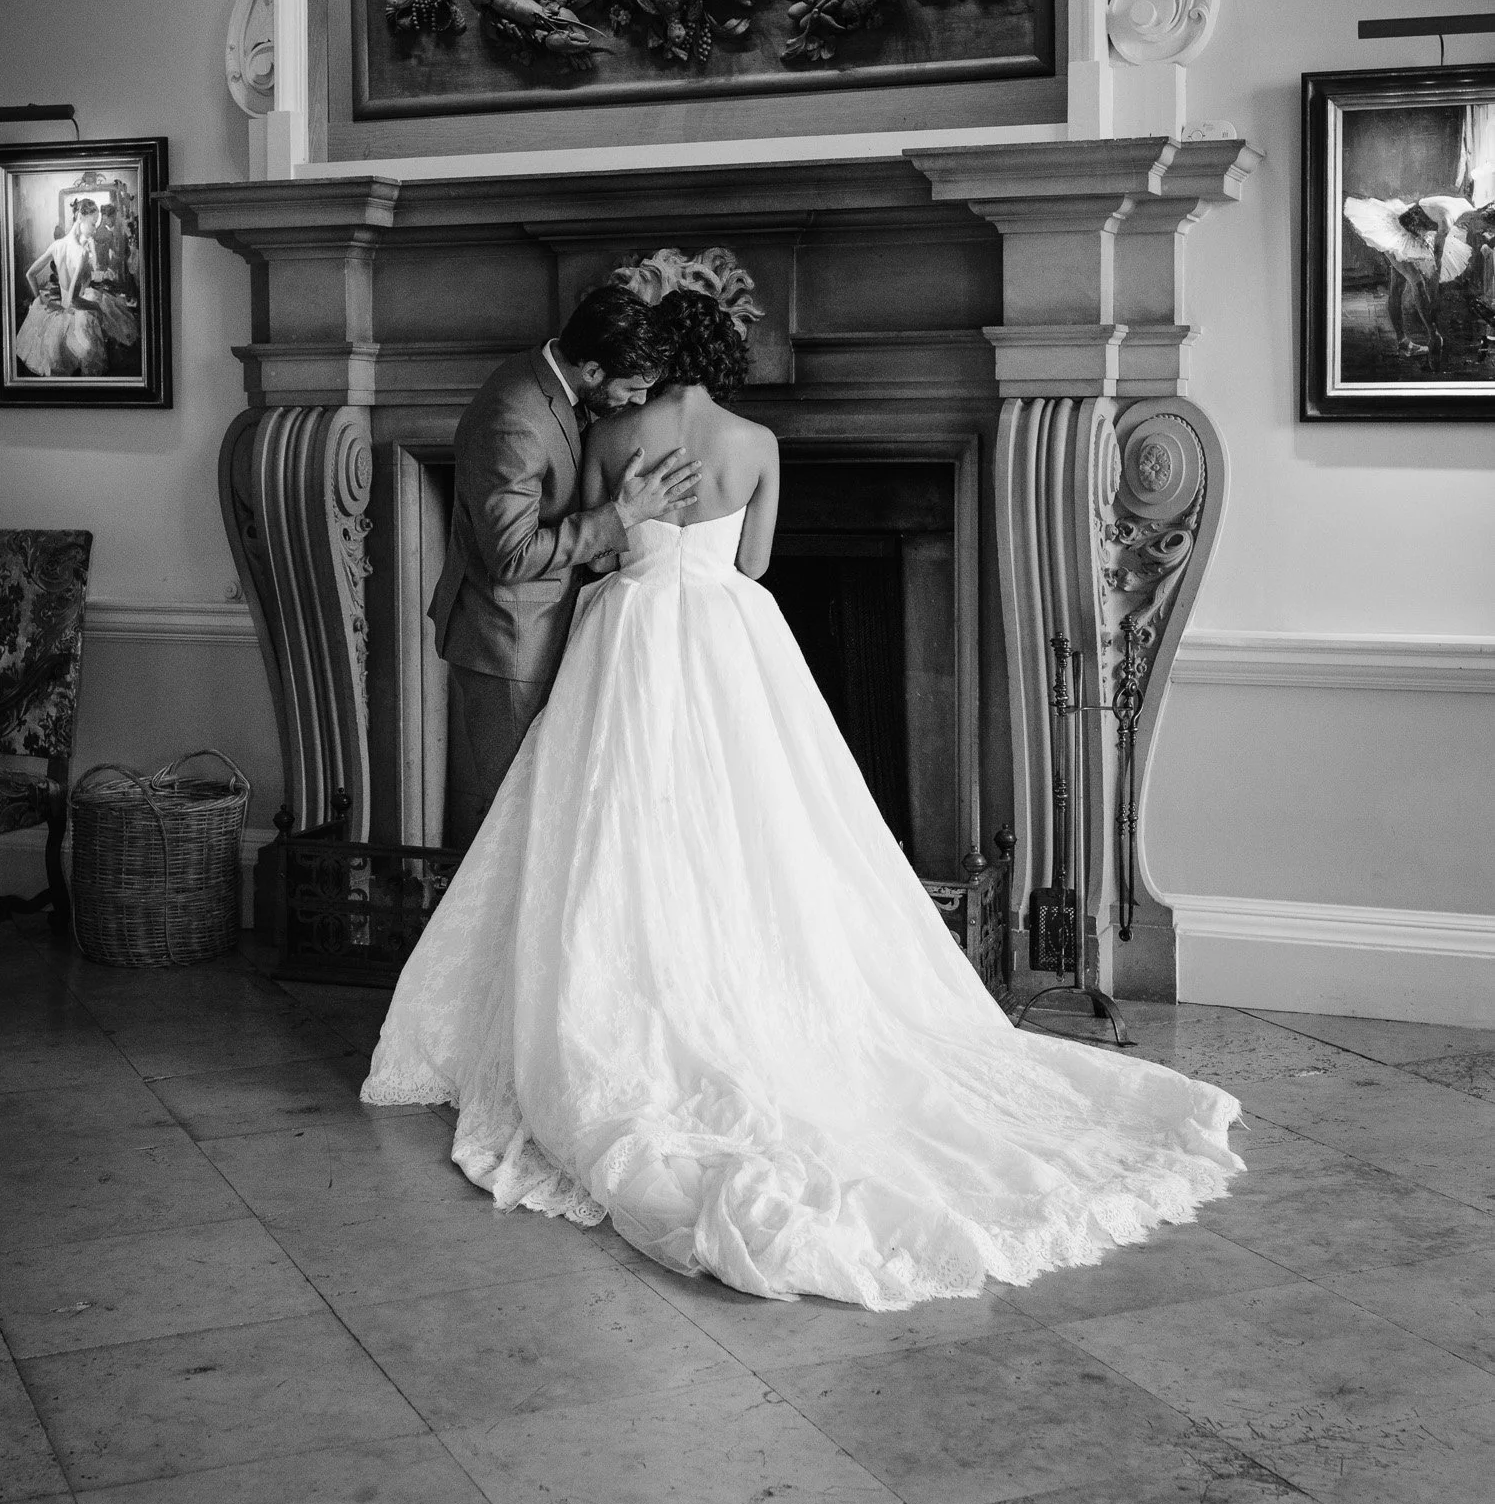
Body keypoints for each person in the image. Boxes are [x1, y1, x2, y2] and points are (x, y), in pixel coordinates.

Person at [367, 260, 1242, 1312]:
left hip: (629, 636)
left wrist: (641, 547)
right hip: (730, 641)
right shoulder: (758, 447)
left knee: (619, 827)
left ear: (654, 361)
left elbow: (598, 559)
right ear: (725, 356)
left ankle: (625, 986)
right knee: (757, 832)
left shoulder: (607, 439)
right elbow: (757, 565)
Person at [429, 283, 701, 846]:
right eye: (632, 389)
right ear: (594, 369)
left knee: (544, 813)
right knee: (514, 821)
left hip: (542, 631)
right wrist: (618, 517)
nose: (639, 404)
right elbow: (512, 555)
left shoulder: (555, 386)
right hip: (508, 645)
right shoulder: (516, 418)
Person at [14, 197, 138, 378]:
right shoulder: (80, 251)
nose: (95, 230)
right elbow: (72, 300)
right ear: (80, 217)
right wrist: (98, 309)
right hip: (73, 315)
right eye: (93, 224)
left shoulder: (57, 245)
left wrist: (39, 299)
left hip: (60, 311)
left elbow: (30, 275)